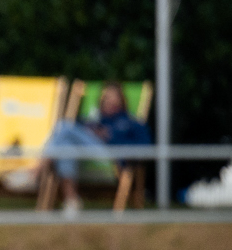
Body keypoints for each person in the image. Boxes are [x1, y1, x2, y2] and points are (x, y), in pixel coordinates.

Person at [43, 84, 153, 216]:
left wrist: (110, 137)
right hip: (85, 157)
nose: (109, 101)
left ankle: (38, 169)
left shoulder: (132, 123)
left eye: (113, 98)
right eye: (106, 98)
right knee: (66, 146)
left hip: (110, 159)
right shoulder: (92, 120)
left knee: (64, 126)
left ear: (122, 100)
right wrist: (92, 130)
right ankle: (72, 201)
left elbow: (145, 147)